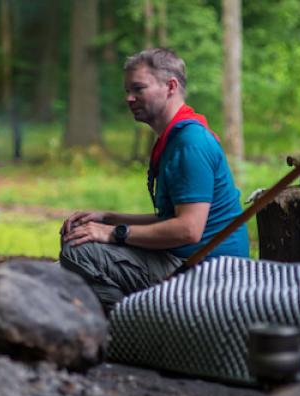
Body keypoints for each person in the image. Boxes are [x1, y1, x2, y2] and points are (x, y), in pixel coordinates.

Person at [59, 48, 249, 313]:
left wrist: (114, 233)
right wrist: (109, 217)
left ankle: (132, 328)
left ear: (170, 86)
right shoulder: (177, 137)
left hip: (212, 277)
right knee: (80, 236)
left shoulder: (189, 144)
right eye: (127, 90)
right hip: (190, 260)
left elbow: (188, 230)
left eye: (138, 88)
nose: (129, 98)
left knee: (79, 251)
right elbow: (171, 219)